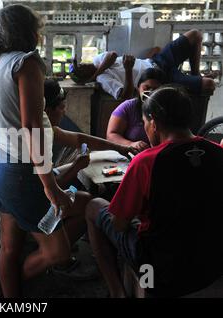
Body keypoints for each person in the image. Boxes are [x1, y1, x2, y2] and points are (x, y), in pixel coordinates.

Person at [0, 5, 92, 297]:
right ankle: (21, 284)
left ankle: (9, 297)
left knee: (9, 246)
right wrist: (49, 185)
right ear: (29, 31)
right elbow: (31, 125)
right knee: (56, 252)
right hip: (21, 171)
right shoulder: (27, 62)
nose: (41, 34)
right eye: (39, 29)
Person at [85, 85, 223, 298]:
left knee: (93, 206)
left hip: (162, 269)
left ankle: (116, 291)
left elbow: (119, 225)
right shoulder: (218, 153)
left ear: (154, 123)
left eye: (145, 122)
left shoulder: (147, 162)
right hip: (210, 264)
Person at [44, 79, 137, 190]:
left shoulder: (46, 129)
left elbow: (79, 139)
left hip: (45, 180)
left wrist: (119, 148)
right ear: (48, 111)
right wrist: (76, 167)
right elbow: (50, 189)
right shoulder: (35, 138)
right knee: (91, 200)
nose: (64, 112)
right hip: (38, 196)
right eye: (62, 108)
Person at [70, 29, 216, 100]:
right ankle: (190, 83)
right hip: (160, 79)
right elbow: (124, 96)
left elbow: (112, 55)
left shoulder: (98, 61)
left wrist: (95, 73)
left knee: (195, 35)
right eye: (80, 68)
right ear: (84, 78)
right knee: (209, 85)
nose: (83, 64)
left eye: (81, 63)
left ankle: (195, 74)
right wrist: (128, 70)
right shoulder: (104, 80)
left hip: (159, 60)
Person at [106, 68, 165, 153]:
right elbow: (111, 135)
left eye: (156, 89)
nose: (151, 92)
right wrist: (131, 144)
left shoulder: (168, 108)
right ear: (138, 88)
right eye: (147, 87)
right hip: (132, 155)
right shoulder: (127, 107)